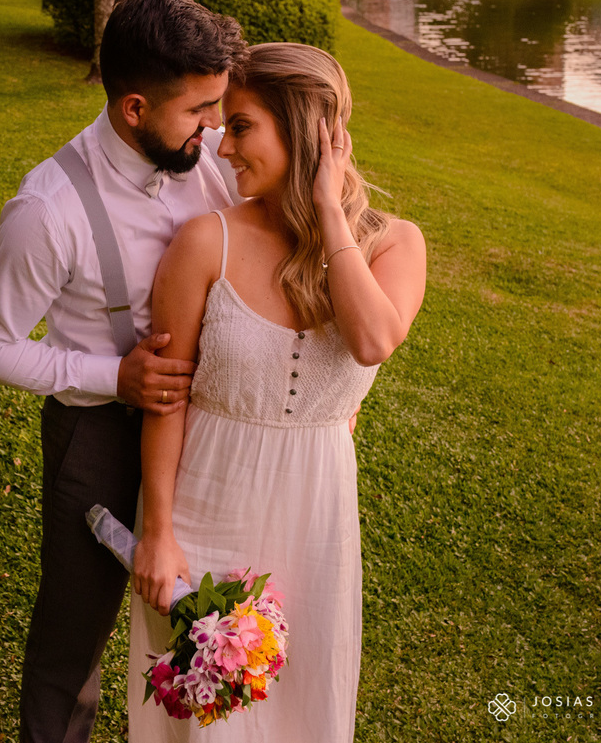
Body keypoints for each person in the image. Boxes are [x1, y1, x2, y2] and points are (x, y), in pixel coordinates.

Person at [0, 0, 248, 743]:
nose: (216, 125)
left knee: (218, 617)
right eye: (199, 110)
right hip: (98, 443)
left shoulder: (212, 155)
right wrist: (108, 376)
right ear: (134, 109)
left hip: (213, 429)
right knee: (71, 646)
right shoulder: (46, 210)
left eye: (218, 105)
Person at [128, 42, 427, 741]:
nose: (220, 147)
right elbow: (165, 400)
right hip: (204, 510)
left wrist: (327, 209)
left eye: (241, 126)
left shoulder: (395, 245)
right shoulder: (205, 243)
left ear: (304, 129)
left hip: (313, 522)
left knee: (300, 716)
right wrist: (160, 533)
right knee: (202, 724)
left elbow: (372, 340)